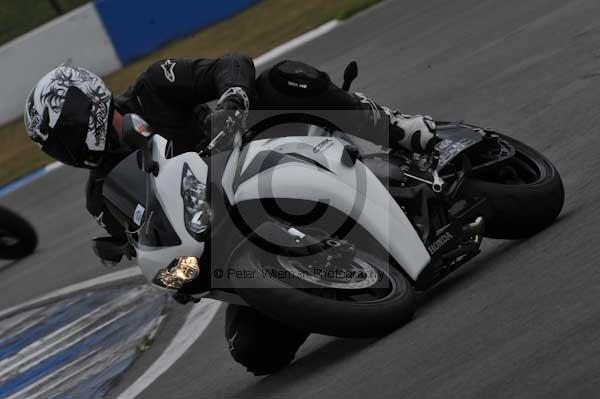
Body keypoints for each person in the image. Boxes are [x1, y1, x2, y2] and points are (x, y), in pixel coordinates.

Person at [23, 54, 436, 375]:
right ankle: (329, 284)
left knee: (284, 78)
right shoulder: (101, 196)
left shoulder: (154, 88)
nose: (66, 149)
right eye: (56, 145)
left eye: (64, 134)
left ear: (86, 108)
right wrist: (157, 264)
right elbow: (145, 240)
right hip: (227, 242)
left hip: (254, 149)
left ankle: (396, 127)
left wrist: (233, 97)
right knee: (252, 351)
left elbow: (232, 63)